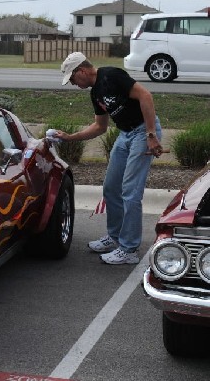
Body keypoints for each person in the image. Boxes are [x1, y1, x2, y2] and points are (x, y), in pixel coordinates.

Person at [54, 52, 163, 265]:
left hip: (143, 132)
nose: (73, 84)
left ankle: (129, 249)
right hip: (125, 135)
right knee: (111, 187)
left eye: (73, 78)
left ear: (82, 71)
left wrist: (151, 135)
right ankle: (115, 237)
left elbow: (145, 96)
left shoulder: (111, 76)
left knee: (130, 192)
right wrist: (70, 137)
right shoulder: (95, 93)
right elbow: (100, 127)